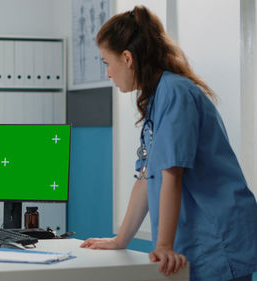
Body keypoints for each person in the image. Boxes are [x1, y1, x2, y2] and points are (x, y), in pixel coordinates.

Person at [80, 6, 257, 281]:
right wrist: (120, 240)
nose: (108, 74)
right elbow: (146, 178)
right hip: (199, 240)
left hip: (217, 237)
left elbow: (172, 174)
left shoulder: (175, 93)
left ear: (127, 58)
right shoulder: (157, 97)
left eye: (106, 62)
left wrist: (163, 245)